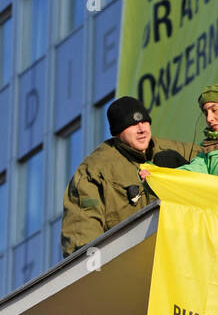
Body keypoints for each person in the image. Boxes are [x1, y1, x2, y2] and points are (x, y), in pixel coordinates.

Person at [61, 96, 195, 257]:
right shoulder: (94, 171)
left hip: (184, 254)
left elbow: (216, 159)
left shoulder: (175, 150)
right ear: (117, 133)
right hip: (132, 265)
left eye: (144, 122)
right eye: (132, 124)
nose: (141, 129)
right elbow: (82, 237)